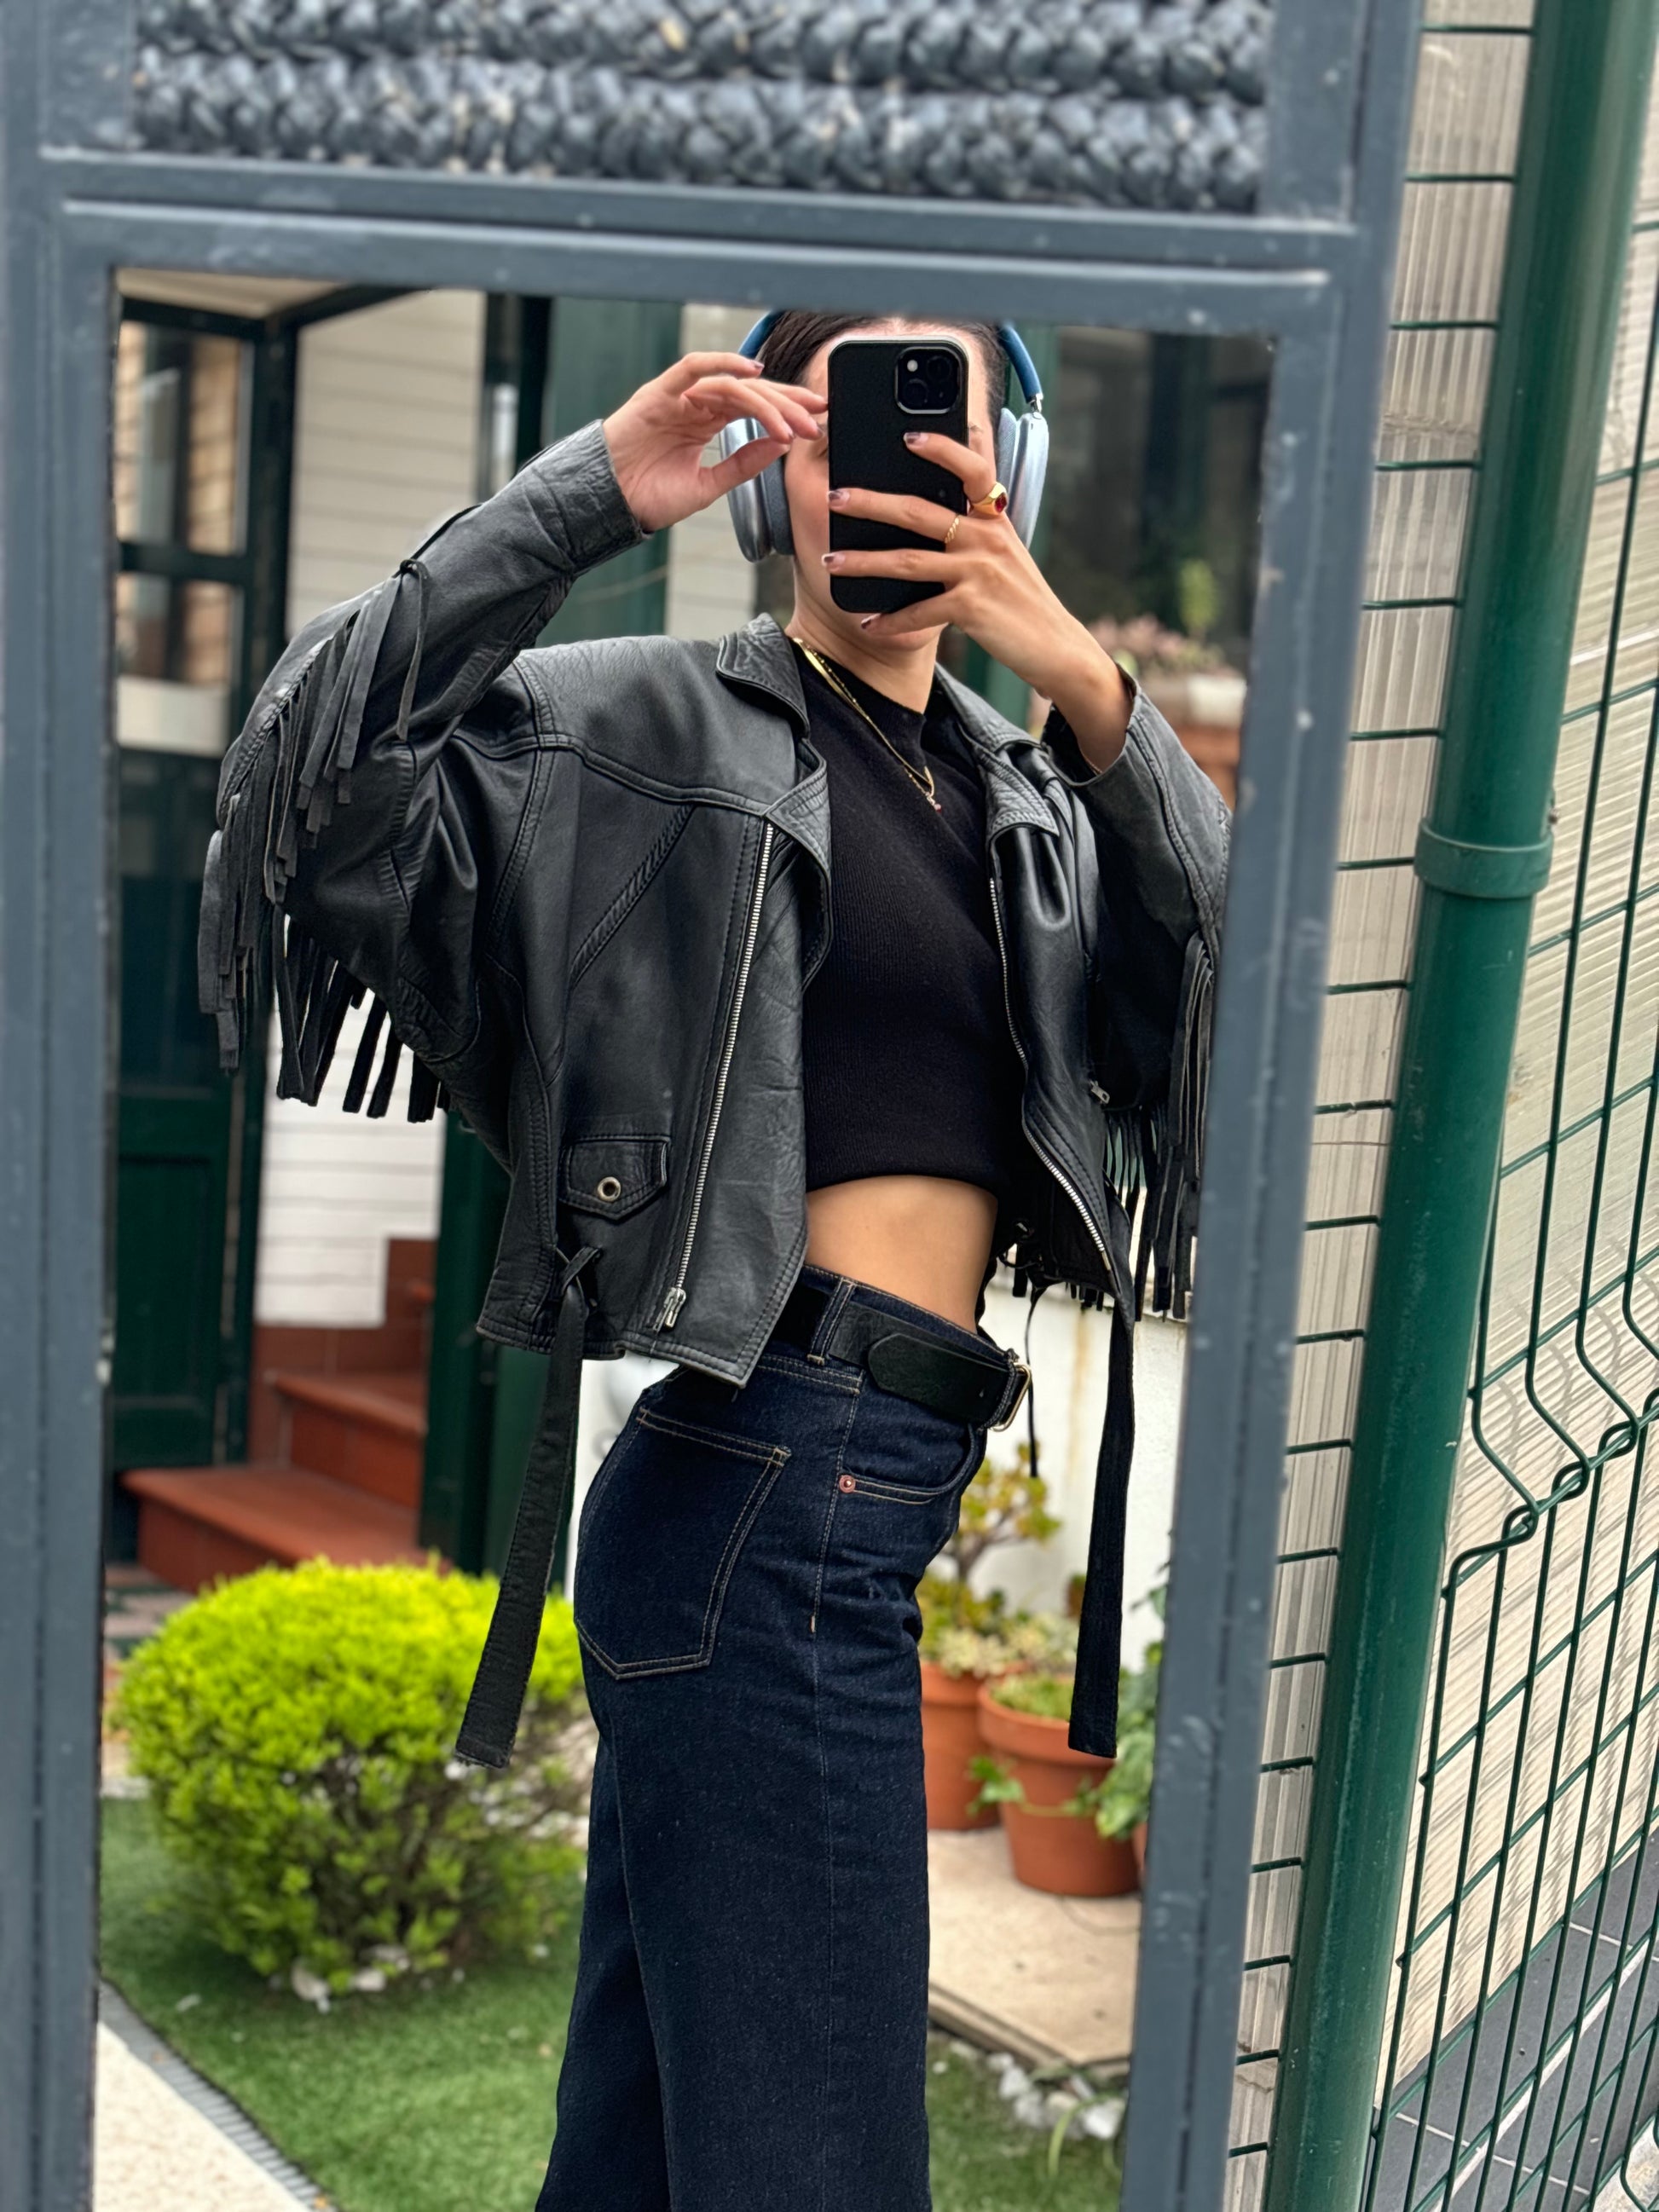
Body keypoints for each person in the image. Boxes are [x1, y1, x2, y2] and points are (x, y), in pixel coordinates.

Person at [199, 308, 1228, 2209]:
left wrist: (1085, 677)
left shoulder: (1026, 797)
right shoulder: (633, 721)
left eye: (937, 423)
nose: (883, 468)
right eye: (830, 426)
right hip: (765, 1494)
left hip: (847, 1497)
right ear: (765, 475)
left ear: (1009, 473)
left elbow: (1230, 1003)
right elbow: (312, 775)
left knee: (646, 2158)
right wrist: (589, 493)